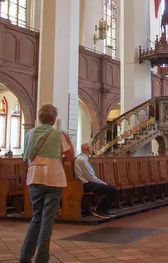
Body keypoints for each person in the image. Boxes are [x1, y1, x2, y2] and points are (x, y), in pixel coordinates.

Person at [19, 103, 75, 263]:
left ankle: (24, 256)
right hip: (53, 177)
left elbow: (27, 156)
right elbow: (71, 157)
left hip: (35, 176)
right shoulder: (58, 134)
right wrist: (68, 140)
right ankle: (42, 258)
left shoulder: (30, 134)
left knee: (36, 217)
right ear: (53, 119)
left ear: (39, 117)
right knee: (47, 220)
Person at [74, 142, 118, 219]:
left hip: (89, 183)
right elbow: (91, 178)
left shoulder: (84, 159)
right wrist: (104, 184)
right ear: (87, 149)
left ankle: (104, 211)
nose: (92, 149)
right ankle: (99, 210)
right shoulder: (82, 160)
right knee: (111, 189)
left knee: (111, 189)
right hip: (86, 185)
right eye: (91, 147)